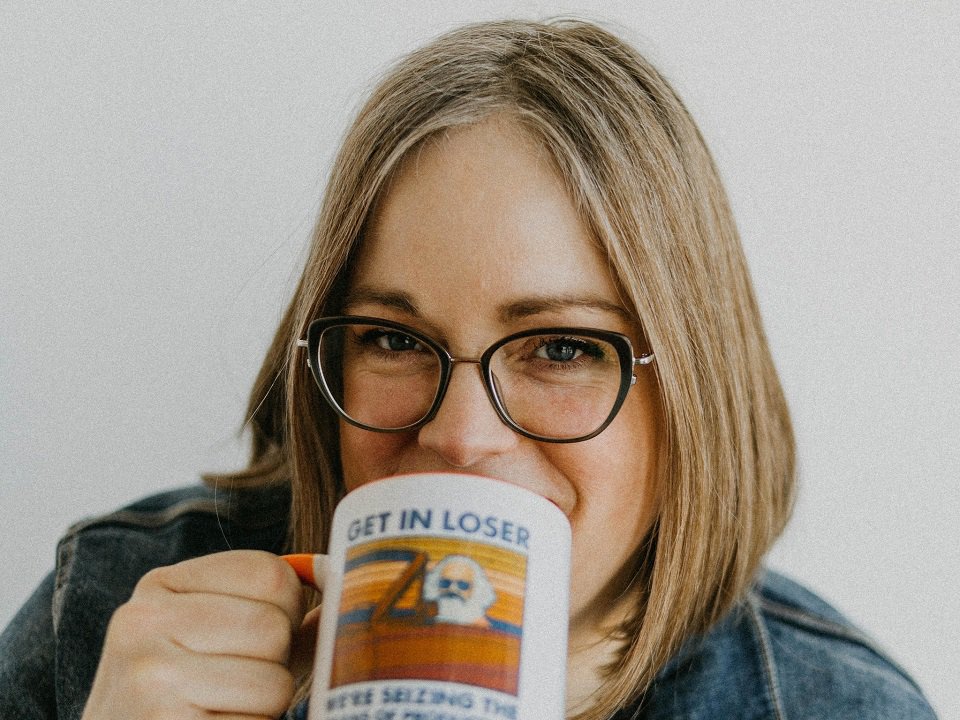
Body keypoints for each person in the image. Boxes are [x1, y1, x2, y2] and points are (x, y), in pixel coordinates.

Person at [0, 18, 938, 720]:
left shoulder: (837, 705)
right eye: (393, 340)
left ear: (692, 389)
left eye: (562, 348)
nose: (458, 435)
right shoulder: (113, 617)